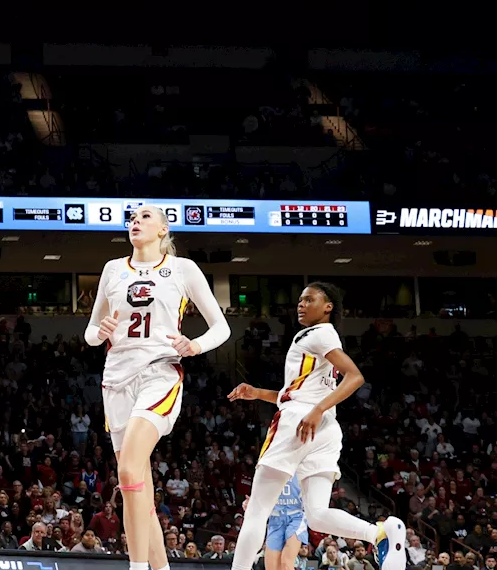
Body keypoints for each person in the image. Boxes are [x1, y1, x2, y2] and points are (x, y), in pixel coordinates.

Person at [83, 205, 230, 570]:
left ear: (164, 229)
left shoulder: (183, 269)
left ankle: (136, 567)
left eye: (146, 216)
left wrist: (195, 345)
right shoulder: (112, 269)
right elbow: (89, 332)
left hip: (159, 373)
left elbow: (221, 328)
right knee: (139, 490)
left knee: (130, 471)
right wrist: (97, 333)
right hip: (116, 378)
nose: (136, 220)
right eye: (132, 216)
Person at [227, 282, 407, 570]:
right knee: (317, 514)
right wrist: (259, 393)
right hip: (325, 429)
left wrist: (316, 409)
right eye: (299, 300)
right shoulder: (327, 337)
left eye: (309, 300)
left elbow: (355, 376)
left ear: (328, 307)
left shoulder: (316, 334)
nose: (301, 304)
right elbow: (300, 394)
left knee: (257, 512)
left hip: (299, 424)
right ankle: (380, 534)